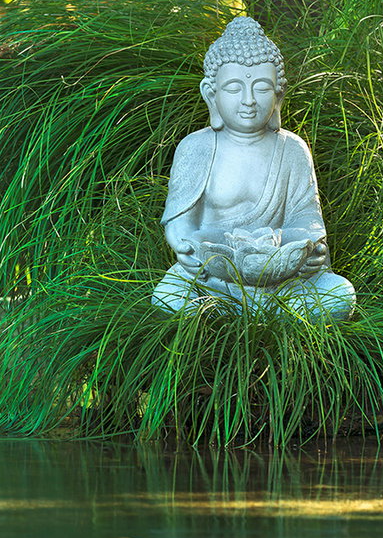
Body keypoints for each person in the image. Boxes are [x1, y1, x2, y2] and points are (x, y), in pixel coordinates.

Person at [152, 16, 355, 320]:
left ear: (279, 94)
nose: (248, 101)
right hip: (214, 277)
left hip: (284, 278)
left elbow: (308, 218)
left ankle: (230, 319)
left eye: (261, 88)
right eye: (234, 88)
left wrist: (313, 252)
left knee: (341, 295)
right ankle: (267, 318)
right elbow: (179, 220)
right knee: (168, 299)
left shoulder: (292, 149)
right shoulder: (195, 148)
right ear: (211, 94)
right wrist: (185, 250)